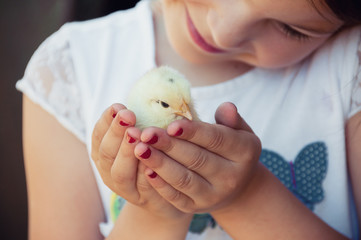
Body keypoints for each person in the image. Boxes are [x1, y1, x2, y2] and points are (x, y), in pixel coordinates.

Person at [16, 0, 361, 239]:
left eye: (291, 28)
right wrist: (155, 211)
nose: (223, 32)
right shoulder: (69, 71)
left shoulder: (350, 65)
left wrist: (247, 196)